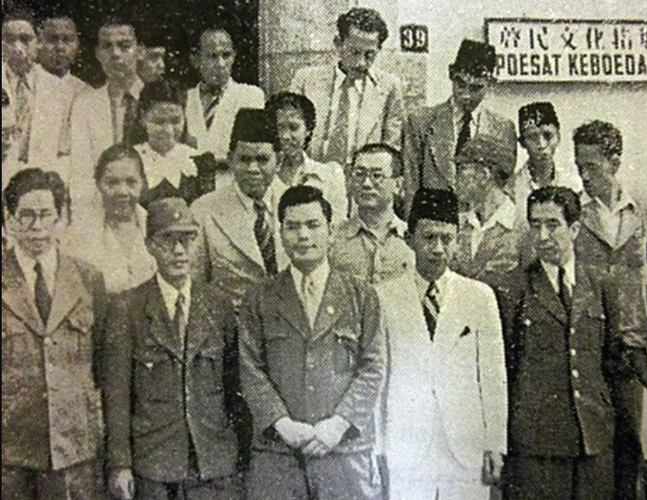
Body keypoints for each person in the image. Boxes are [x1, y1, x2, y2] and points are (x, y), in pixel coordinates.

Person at [497, 186, 647, 500]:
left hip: (593, 437)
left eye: (552, 224)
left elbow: (613, 366)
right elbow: (505, 372)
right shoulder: (512, 288)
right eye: (535, 224)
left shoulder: (602, 284)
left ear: (575, 228)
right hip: (537, 444)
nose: (541, 235)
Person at [238, 185, 386, 500]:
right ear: (280, 233)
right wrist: (280, 423)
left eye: (312, 225)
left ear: (331, 231)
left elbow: (374, 366)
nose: (302, 235)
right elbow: (249, 367)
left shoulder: (361, 296)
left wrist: (338, 424)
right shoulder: (259, 298)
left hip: (344, 452)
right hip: (278, 455)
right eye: (292, 227)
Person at [104, 197, 242, 500]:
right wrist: (120, 464)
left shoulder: (219, 306)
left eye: (187, 239)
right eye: (168, 240)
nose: (179, 251)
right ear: (149, 245)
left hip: (213, 463)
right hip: (155, 463)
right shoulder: (128, 309)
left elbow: (234, 389)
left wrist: (239, 455)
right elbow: (117, 396)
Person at [376, 187, 506, 500]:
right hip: (406, 444)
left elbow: (492, 376)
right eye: (428, 238)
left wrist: (495, 443)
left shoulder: (479, 297)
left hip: (465, 444)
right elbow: (378, 379)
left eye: (447, 239)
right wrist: (379, 447)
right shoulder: (382, 297)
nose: (437, 248)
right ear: (410, 239)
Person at [573, 119, 647, 500]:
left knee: (631, 436)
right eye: (579, 166)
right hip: (591, 343)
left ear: (615, 161)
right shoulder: (576, 213)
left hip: (630, 348)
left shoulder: (642, 210)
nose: (584, 175)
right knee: (594, 439)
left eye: (591, 166)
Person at [2, 168, 107, 499]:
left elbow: (101, 363)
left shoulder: (88, 278)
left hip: (73, 448)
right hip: (10, 451)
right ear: (9, 219)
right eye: (26, 216)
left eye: (45, 215)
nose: (36, 227)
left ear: (61, 218)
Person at [401, 38, 517, 217]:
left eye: (476, 88)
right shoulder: (420, 122)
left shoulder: (503, 129)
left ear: (490, 83)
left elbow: (503, 191)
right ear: (451, 74)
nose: (466, 95)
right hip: (434, 228)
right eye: (460, 84)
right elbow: (411, 187)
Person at [191, 108, 289, 301]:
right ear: (230, 159)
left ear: (279, 160)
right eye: (244, 159)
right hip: (231, 325)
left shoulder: (297, 205)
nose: (253, 169)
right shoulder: (204, 210)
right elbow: (194, 284)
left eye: (262, 159)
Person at [290, 7, 405, 166]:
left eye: (369, 55)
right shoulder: (305, 80)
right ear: (338, 43)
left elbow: (391, 149)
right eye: (354, 52)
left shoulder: (390, 87)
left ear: (379, 49)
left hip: (362, 181)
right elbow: (290, 137)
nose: (361, 63)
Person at [69, 16, 143, 209]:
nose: (115, 54)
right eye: (107, 46)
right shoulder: (84, 104)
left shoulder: (159, 100)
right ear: (98, 53)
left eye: (124, 45)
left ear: (140, 51)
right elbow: (81, 171)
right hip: (101, 208)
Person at [62, 144, 155, 293]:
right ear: (98, 183)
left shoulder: (156, 226)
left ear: (142, 183)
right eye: (112, 182)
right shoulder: (78, 234)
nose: (122, 191)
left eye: (131, 182)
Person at [185, 27, 265, 189]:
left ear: (234, 57)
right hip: (191, 189)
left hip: (232, 190)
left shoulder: (250, 95)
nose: (221, 64)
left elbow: (248, 151)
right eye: (212, 56)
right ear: (196, 60)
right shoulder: (184, 99)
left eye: (226, 55)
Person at [2, 10, 78, 168]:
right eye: (10, 40)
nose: (18, 48)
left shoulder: (60, 88)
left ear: (39, 42)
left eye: (25, 39)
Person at [330, 143, 414, 284]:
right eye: (359, 174)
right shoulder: (333, 239)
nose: (366, 183)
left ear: (398, 184)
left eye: (377, 176)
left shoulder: (412, 240)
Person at [267, 91, 348, 225]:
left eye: (293, 127)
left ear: (308, 129)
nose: (285, 136)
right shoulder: (265, 177)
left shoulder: (330, 175)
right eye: (280, 128)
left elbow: (338, 229)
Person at [451, 134, 520, 285]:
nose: (454, 179)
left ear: (483, 175)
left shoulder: (522, 226)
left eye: (460, 169)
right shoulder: (458, 226)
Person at [132, 79, 205, 206]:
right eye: (159, 122)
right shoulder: (130, 160)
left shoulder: (197, 161)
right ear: (143, 117)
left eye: (176, 121)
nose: (168, 131)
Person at [510, 102, 581, 228]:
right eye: (532, 137)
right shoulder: (510, 189)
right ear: (522, 143)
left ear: (558, 137)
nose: (541, 144)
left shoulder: (574, 185)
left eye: (548, 135)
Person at [36, 14, 92, 159]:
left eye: (67, 40)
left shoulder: (84, 91)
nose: (60, 47)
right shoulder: (24, 84)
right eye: (52, 39)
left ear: (77, 46)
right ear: (38, 42)